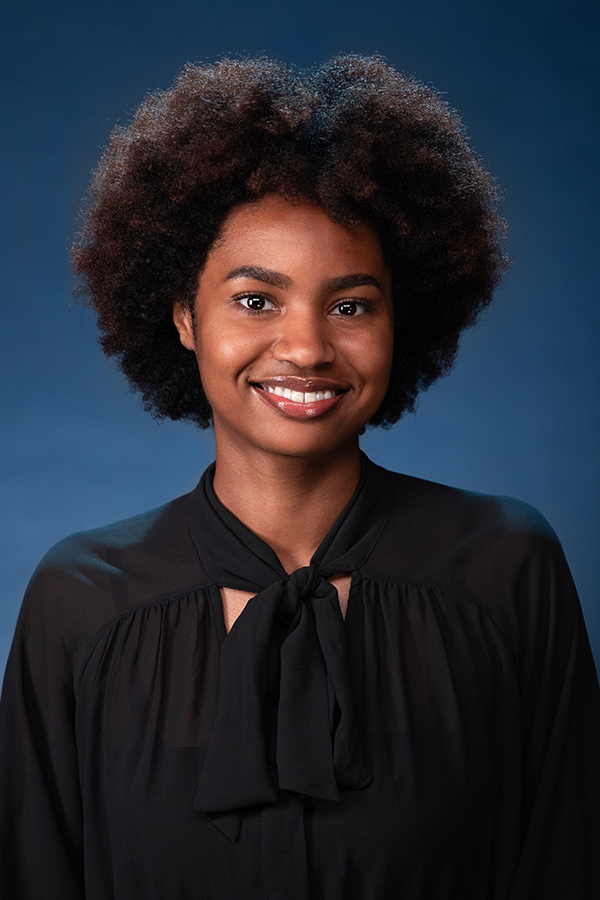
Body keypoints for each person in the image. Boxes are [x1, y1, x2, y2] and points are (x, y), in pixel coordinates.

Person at [1, 54, 599, 900]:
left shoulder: (505, 571)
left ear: (404, 319)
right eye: (256, 299)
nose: (309, 346)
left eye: (351, 304)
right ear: (184, 317)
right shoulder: (81, 601)